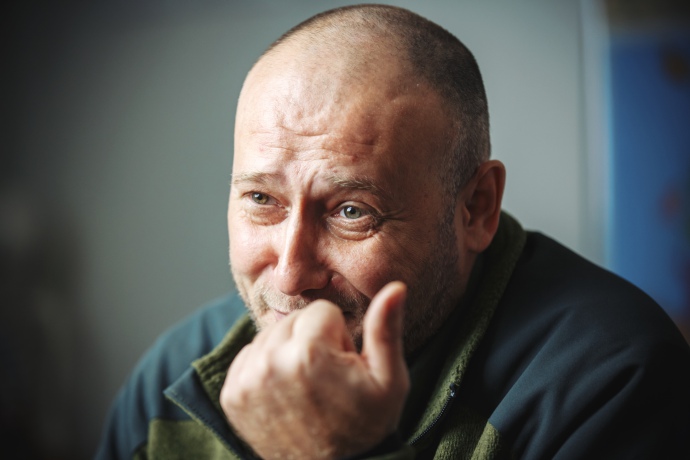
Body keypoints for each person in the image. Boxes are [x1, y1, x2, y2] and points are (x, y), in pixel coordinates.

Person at [96, 5, 690, 459]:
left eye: (351, 212)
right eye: (261, 199)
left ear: (476, 208)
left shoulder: (614, 381)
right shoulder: (173, 375)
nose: (290, 274)